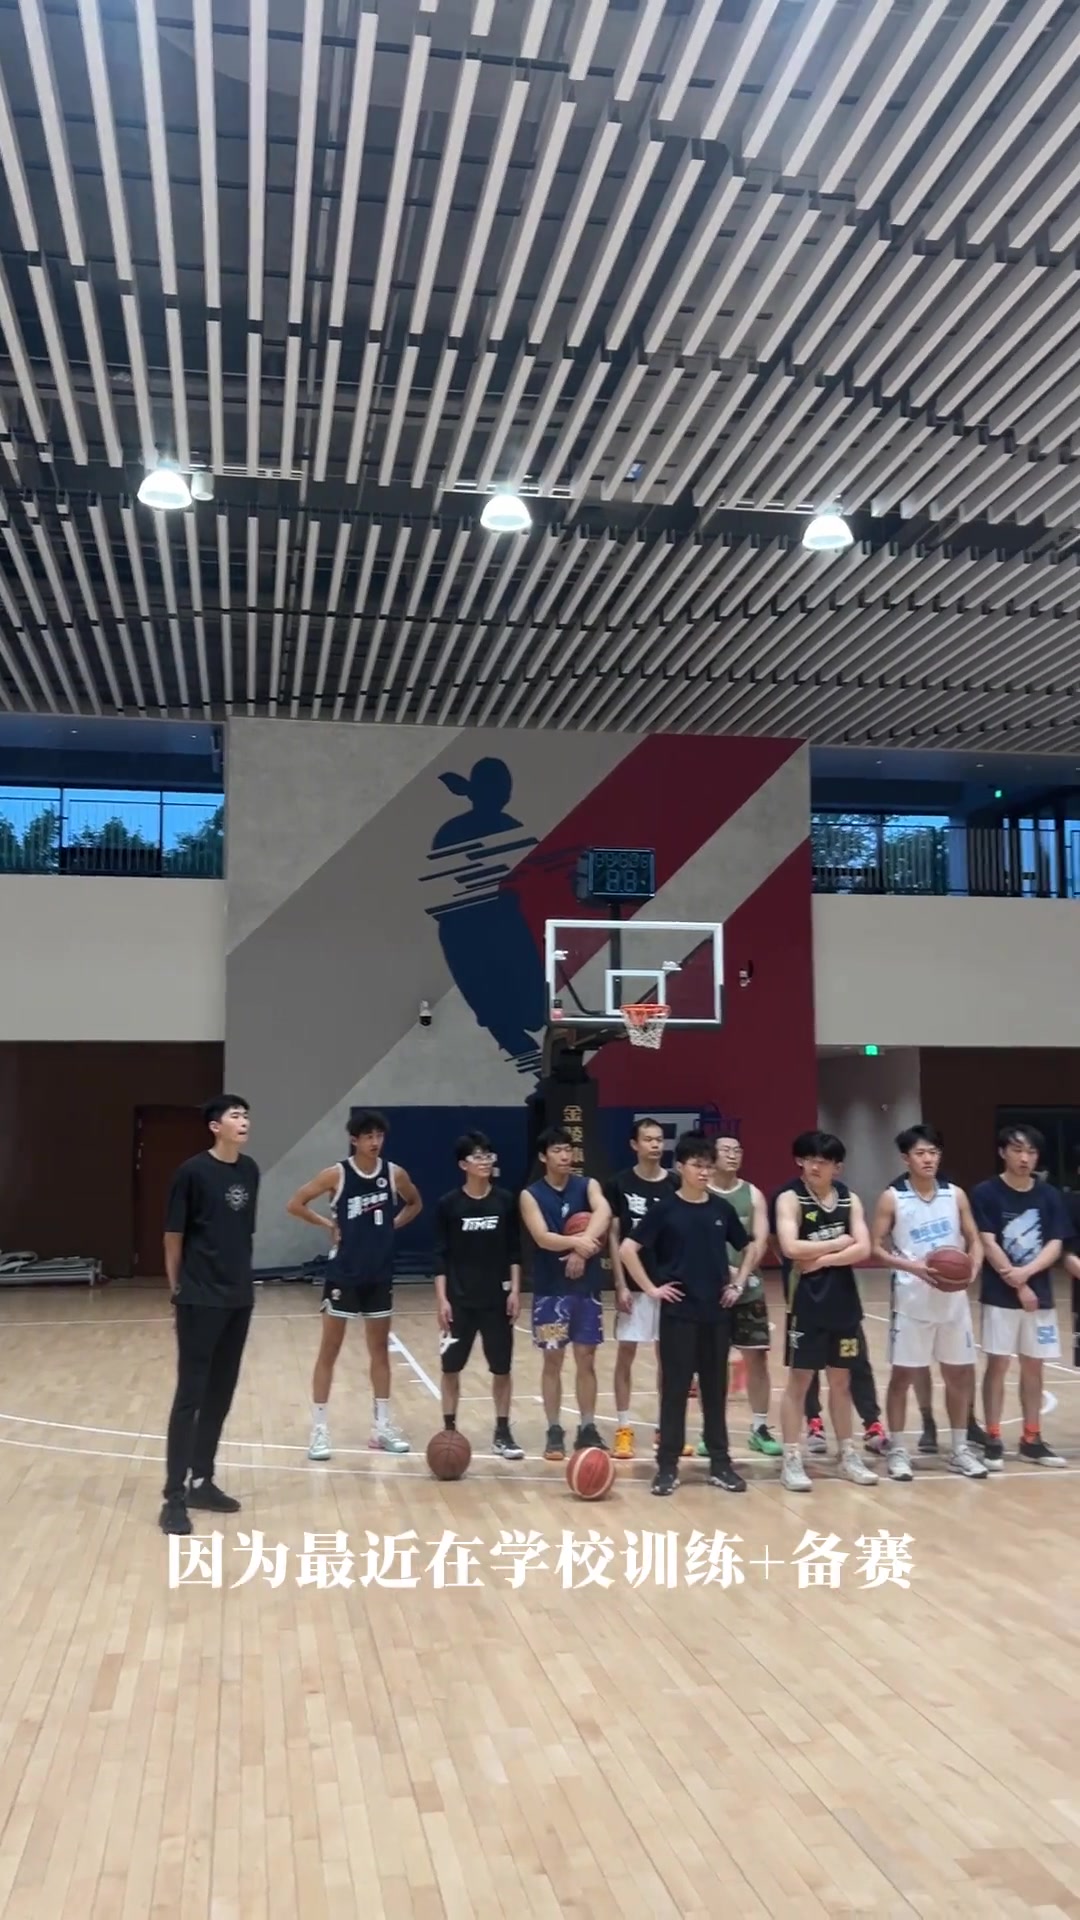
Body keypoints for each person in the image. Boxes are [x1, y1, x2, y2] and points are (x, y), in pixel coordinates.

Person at [618, 1130, 758, 1497]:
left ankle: (721, 1465)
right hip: (678, 1315)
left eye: (708, 1166)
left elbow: (750, 1247)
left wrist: (738, 1283)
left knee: (715, 1391)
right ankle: (667, 1467)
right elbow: (627, 1249)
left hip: (717, 1314)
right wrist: (651, 1288)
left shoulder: (720, 1209)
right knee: (675, 1391)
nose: (704, 1172)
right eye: (697, 1165)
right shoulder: (665, 1209)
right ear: (680, 1167)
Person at [287, 1108, 422, 1460]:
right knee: (329, 1350)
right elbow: (295, 1203)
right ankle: (319, 1430)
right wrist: (327, 1224)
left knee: (380, 1352)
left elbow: (415, 1202)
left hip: (378, 1274)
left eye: (379, 1136)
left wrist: (392, 1225)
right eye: (368, 1136)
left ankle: (382, 1428)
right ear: (354, 1139)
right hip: (343, 1274)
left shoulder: (394, 1174)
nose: (375, 1142)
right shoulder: (337, 1174)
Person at [160, 1095, 259, 1536]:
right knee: (191, 1396)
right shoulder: (192, 1172)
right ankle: (173, 1498)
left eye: (246, 1115)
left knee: (221, 1394)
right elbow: (173, 1236)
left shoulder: (250, 1170)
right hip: (200, 1298)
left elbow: (242, 1233)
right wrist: (177, 1290)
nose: (244, 1121)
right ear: (215, 1126)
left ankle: (202, 1481)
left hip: (239, 1298)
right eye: (235, 1115)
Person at [871, 1124, 987, 1481]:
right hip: (911, 1301)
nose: (928, 1159)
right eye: (920, 1153)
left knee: (958, 1375)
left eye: (933, 1152)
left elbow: (974, 1238)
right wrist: (912, 1267)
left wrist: (972, 1268)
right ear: (906, 1158)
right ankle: (898, 1450)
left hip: (952, 1302)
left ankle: (960, 1448)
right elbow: (875, 1247)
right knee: (902, 1377)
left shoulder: (955, 1195)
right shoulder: (893, 1197)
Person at [775, 1131, 879, 1492]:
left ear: (838, 1167)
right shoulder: (790, 1198)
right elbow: (790, 1247)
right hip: (805, 1303)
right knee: (800, 1381)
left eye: (823, 1161)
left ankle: (847, 1453)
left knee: (841, 1381)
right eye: (808, 1159)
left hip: (843, 1302)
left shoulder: (849, 1198)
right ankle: (791, 1457)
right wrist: (838, 1243)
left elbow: (863, 1248)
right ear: (800, 1161)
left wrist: (820, 1260)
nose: (814, 1166)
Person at [972, 1124, 1070, 1470]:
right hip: (1000, 1295)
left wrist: (1027, 1275)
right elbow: (987, 1241)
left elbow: (1056, 1243)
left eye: (1031, 1152)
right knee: (998, 1364)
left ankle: (1032, 1438)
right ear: (1002, 1152)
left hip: (1039, 1296)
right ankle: (993, 1437)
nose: (1025, 1158)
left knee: (1034, 1366)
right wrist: (1017, 1282)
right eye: (1017, 1150)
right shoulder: (985, 1193)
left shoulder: (1049, 1195)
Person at [520, 1126, 611, 1462]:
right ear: (543, 1156)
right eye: (557, 1150)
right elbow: (542, 1237)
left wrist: (579, 1251)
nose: (564, 1155)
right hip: (550, 1290)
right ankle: (554, 1428)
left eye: (568, 1149)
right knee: (553, 1360)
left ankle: (587, 1426)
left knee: (587, 1358)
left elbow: (604, 1213)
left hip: (586, 1288)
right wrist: (579, 1243)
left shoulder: (587, 1185)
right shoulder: (531, 1194)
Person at [434, 1130, 523, 1460]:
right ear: (463, 1164)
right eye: (478, 1156)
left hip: (496, 1300)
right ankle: (449, 1429)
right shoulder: (448, 1205)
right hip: (459, 1301)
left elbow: (514, 1251)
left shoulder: (505, 1201)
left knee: (502, 1369)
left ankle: (503, 1432)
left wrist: (515, 1290)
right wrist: (442, 1300)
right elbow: (440, 1257)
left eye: (488, 1156)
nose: (485, 1161)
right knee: (450, 1368)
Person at [605, 1117, 677, 1461]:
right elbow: (614, 1236)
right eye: (648, 1139)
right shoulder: (619, 1183)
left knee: (669, 1360)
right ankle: (623, 1428)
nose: (655, 1145)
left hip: (669, 1283)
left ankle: (666, 1429)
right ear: (634, 1144)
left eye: (659, 1139)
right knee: (626, 1355)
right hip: (633, 1286)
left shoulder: (676, 1183)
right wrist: (619, 1284)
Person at [710, 1135, 780, 1458]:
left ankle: (760, 1428)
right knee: (712, 1363)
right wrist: (720, 1271)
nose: (733, 1154)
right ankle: (713, 1430)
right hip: (711, 1292)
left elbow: (759, 1241)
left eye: (737, 1150)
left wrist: (739, 1278)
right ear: (712, 1155)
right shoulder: (703, 1192)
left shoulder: (752, 1194)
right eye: (726, 1150)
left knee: (757, 1359)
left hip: (748, 1290)